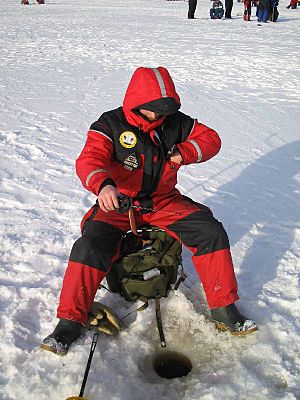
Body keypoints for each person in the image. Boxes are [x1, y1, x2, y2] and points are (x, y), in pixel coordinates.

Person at [41, 66, 258, 355]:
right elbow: (89, 160)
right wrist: (103, 185)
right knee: (90, 246)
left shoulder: (175, 123)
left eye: (166, 109)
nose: (160, 116)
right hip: (118, 203)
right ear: (137, 103)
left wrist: (188, 151)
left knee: (210, 231)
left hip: (162, 201)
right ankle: (69, 321)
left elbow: (211, 139)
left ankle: (223, 308)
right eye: (155, 109)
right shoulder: (111, 124)